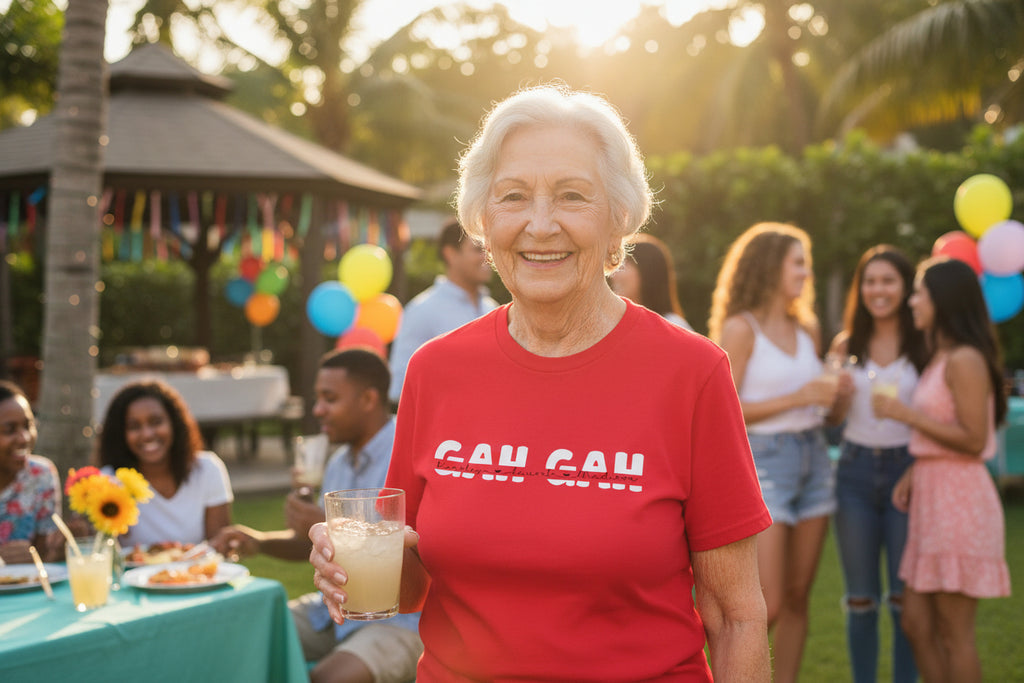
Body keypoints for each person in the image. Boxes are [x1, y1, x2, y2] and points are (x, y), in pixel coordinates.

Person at [309, 84, 772, 682]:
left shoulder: (692, 372)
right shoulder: (435, 370)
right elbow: (411, 582)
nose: (541, 224)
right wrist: (345, 559)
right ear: (482, 221)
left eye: (573, 196)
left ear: (619, 219)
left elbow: (736, 616)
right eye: (513, 197)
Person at [212, 349, 422, 683]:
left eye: (329, 398)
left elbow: (419, 546)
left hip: (399, 620)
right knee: (244, 637)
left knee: (326, 679)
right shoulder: (338, 462)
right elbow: (324, 552)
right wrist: (260, 541)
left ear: (368, 399)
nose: (317, 409)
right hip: (334, 609)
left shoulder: (411, 450)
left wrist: (328, 524)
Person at [708, 221, 838, 683]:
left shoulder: (807, 327)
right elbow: (721, 410)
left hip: (815, 460)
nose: (806, 273)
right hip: (764, 463)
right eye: (797, 263)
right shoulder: (741, 329)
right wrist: (798, 398)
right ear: (769, 267)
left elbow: (818, 400)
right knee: (769, 602)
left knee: (800, 596)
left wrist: (832, 392)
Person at [874, 257, 1011, 683]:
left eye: (919, 292)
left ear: (944, 299)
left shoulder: (965, 359)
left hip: (959, 504)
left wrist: (905, 416)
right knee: (916, 623)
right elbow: (946, 433)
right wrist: (916, 470)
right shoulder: (941, 356)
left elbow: (973, 440)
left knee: (955, 634)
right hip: (933, 500)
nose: (912, 301)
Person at [827, 245, 927, 683]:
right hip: (854, 473)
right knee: (861, 599)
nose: (878, 290)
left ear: (905, 288)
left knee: (905, 599)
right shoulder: (846, 344)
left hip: (910, 472)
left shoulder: (926, 341)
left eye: (888, 280)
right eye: (870, 281)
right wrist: (839, 402)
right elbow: (829, 424)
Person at [97, 379, 233, 546]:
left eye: (156, 422)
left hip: (195, 571)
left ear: (175, 424)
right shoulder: (109, 480)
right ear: (120, 434)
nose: (147, 434)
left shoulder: (207, 469)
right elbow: (104, 553)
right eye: (134, 426)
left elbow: (220, 549)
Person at [387, 219, 498, 403]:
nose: (487, 257)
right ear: (450, 254)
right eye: (478, 249)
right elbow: (399, 387)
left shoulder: (492, 308)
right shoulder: (422, 311)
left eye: (489, 249)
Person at [0, 380, 63, 563]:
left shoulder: (40, 475)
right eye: (8, 430)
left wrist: (60, 546)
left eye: (28, 426)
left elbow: (46, 556)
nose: (24, 438)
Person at [609, 232, 694, 330]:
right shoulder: (618, 325)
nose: (613, 276)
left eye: (624, 265)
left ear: (646, 271)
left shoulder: (673, 326)